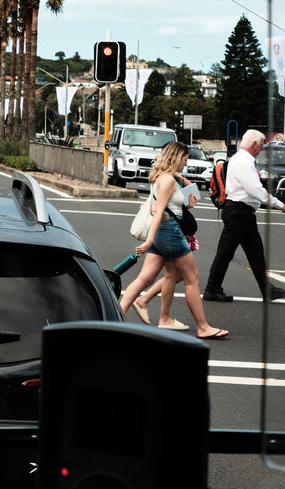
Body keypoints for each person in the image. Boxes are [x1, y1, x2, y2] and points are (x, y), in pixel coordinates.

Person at [120, 142, 227, 340]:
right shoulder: (168, 180)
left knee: (146, 278)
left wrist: (181, 180)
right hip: (169, 231)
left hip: (163, 231)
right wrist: (149, 240)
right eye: (185, 159)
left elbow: (186, 200)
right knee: (192, 279)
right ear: (177, 158)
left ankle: (116, 318)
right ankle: (203, 327)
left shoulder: (162, 178)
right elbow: (158, 211)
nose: (186, 163)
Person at [204, 128, 285, 302]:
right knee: (230, 253)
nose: (262, 148)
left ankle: (266, 290)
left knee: (251, 252)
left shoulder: (239, 159)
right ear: (254, 144)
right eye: (262, 145)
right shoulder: (244, 161)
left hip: (239, 212)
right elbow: (255, 190)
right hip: (239, 212)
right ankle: (212, 289)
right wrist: (280, 204)